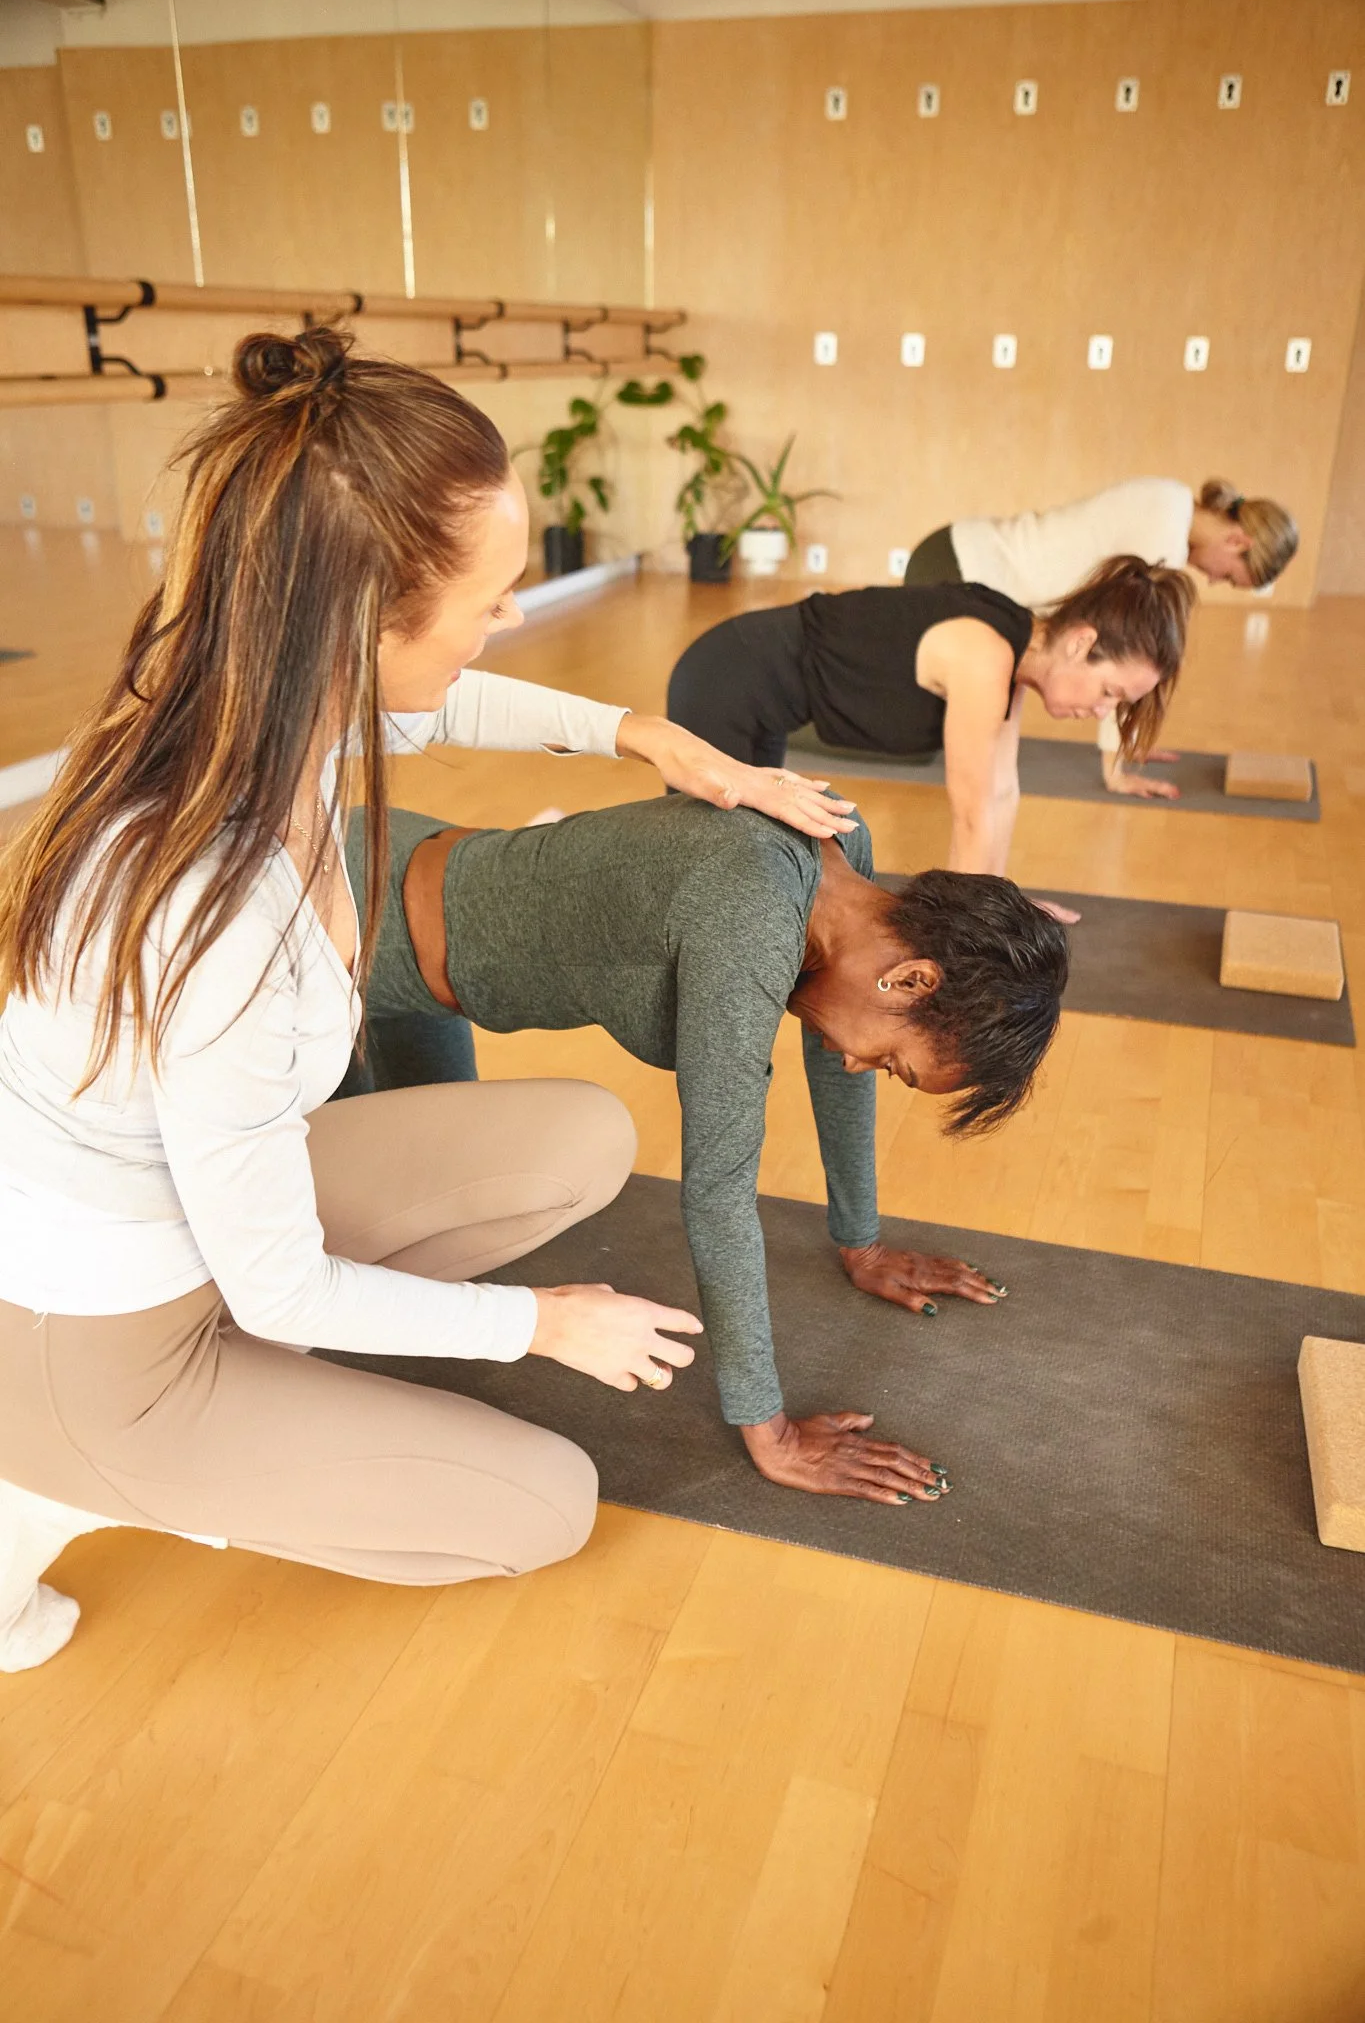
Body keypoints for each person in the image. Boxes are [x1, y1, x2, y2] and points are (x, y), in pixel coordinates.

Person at [0, 326, 856, 1675]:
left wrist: (652, 740)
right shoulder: (208, 906)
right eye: (490, 597)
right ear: (356, 624)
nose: (511, 616)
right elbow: (277, 1286)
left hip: (202, 1221)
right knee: (544, 1505)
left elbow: (452, 706)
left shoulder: (242, 687)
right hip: (93, 1353)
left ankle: (246, 1418)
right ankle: (42, 1490)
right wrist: (542, 1327)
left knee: (580, 1136)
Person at [342, 791, 1069, 1504]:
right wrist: (771, 1431)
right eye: (891, 1061)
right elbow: (719, 1188)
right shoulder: (749, 919)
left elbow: (832, 1063)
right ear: (910, 978)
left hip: (405, 902)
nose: (859, 1066)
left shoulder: (838, 850)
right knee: (343, 1250)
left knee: (452, 1199)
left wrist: (861, 1241)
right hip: (341, 931)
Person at [666, 556, 1195, 922]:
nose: (1103, 710)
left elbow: (1001, 794)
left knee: (750, 865)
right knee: (709, 878)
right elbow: (970, 813)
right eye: (1110, 692)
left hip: (763, 701)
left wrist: (1003, 909)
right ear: (1082, 643)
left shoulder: (1015, 657)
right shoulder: (985, 654)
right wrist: (969, 943)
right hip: (726, 679)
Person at [902, 476, 1298, 798]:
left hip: (960, 555)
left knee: (961, 733)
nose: (1212, 579)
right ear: (1237, 542)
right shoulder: (1163, 540)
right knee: (922, 741)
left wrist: (1132, 742)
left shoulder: (1172, 502)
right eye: (1227, 575)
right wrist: (1117, 770)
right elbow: (1123, 660)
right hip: (956, 568)